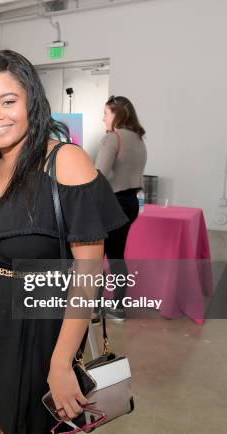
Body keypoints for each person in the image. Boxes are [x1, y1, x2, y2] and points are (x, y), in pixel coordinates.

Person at [0, 50, 128, 434]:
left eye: (8, 101)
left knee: (38, 424)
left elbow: (88, 272)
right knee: (4, 422)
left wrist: (62, 362)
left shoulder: (64, 160)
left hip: (44, 323)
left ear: (32, 100)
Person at [95, 95, 147, 321]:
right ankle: (118, 308)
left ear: (117, 115)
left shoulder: (113, 138)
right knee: (116, 256)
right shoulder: (138, 139)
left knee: (96, 256)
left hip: (111, 203)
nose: (103, 118)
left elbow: (99, 176)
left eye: (106, 114)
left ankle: (95, 310)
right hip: (131, 203)